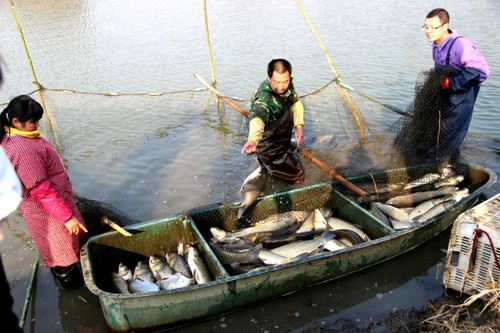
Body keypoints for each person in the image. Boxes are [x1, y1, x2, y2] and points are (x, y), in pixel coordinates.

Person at [0, 95, 88, 290]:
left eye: (38, 120)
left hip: (54, 204)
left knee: (62, 250)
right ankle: (71, 288)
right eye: (33, 122)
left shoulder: (18, 137)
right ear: (16, 122)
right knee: (62, 253)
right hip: (49, 213)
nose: (37, 125)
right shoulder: (22, 149)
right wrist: (67, 218)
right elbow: (41, 190)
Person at [422, 8, 489, 162]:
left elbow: (480, 71)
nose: (428, 31)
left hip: (461, 98)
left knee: (449, 132)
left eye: (433, 27)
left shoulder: (461, 46)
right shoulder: (435, 45)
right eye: (426, 27)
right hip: (445, 96)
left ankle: (441, 167)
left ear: (445, 27)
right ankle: (450, 161)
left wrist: (451, 82)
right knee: (439, 131)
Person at [241, 59, 305, 183]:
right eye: (276, 82)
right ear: (269, 78)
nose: (281, 86)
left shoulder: (288, 85)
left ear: (289, 77)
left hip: (283, 139)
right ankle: (265, 165)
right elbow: (257, 120)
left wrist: (298, 127)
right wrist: (253, 141)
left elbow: (296, 104)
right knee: (298, 178)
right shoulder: (263, 98)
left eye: (285, 81)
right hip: (268, 148)